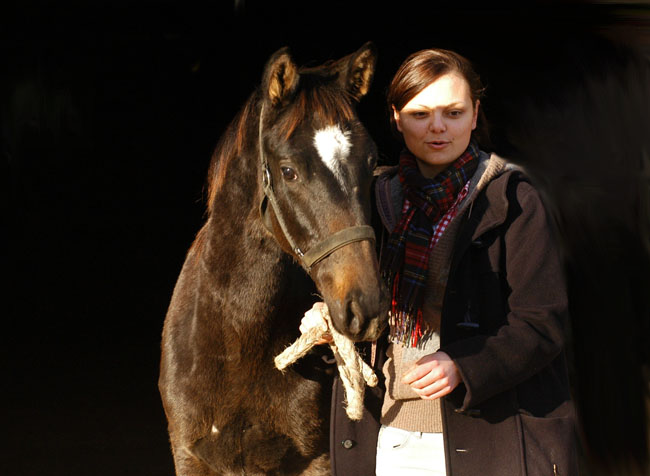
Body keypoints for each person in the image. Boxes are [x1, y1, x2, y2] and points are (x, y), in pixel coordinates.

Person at [301, 48, 578, 476]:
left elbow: (543, 324)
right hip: (387, 433)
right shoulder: (370, 200)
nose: (437, 127)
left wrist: (465, 365)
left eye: (452, 112)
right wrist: (328, 322)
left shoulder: (515, 198)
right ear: (395, 117)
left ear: (474, 114)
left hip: (489, 437)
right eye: (419, 113)